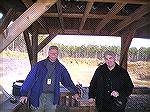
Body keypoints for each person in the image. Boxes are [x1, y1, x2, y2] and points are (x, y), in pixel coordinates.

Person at [19, 46, 79, 112]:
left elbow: (67, 81)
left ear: (58, 54)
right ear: (48, 53)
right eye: (51, 53)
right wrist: (24, 94)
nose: (53, 55)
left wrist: (75, 92)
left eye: (55, 53)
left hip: (52, 97)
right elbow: (29, 79)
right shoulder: (39, 65)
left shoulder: (61, 68)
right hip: (38, 96)